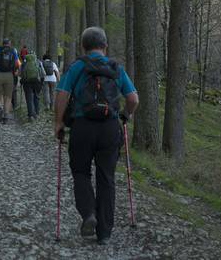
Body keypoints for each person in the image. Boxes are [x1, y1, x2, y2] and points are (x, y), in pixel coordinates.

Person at [53, 27, 139, 245]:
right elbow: (133, 98)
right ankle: (104, 232)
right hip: (109, 128)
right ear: (105, 46)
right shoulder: (116, 68)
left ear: (83, 46)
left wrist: (58, 122)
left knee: (80, 172)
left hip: (82, 127)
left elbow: (62, 95)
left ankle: (88, 213)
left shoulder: (77, 66)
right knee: (106, 178)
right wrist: (126, 115)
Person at [0, 38, 21, 123]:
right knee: (8, 97)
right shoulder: (13, 51)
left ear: (2, 43)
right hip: (9, 76)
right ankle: (6, 116)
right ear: (9, 44)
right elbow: (17, 64)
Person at [20, 51, 46, 122]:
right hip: (37, 82)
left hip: (27, 83)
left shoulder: (24, 63)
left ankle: (30, 115)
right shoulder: (38, 62)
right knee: (36, 97)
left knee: (29, 98)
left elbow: (20, 73)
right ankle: (37, 114)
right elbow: (43, 73)